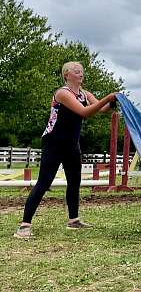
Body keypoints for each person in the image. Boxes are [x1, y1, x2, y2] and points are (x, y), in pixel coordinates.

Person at [14, 61, 119, 239]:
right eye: (76, 71)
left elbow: (102, 109)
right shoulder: (62, 93)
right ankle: (24, 226)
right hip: (54, 142)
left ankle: (73, 220)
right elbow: (84, 112)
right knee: (44, 183)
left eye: (82, 71)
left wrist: (114, 101)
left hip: (71, 143)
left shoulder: (85, 94)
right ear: (66, 75)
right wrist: (108, 97)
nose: (80, 73)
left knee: (74, 181)